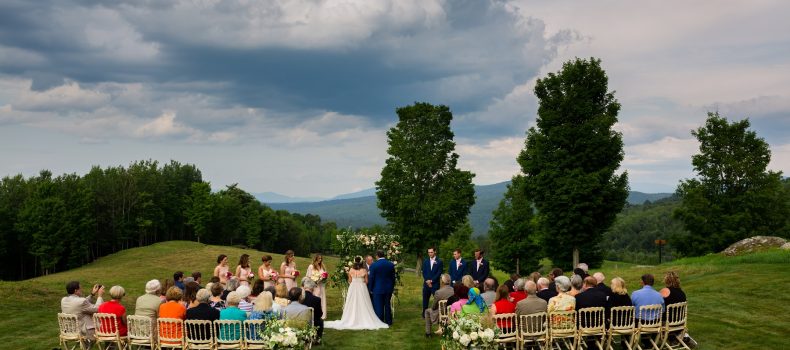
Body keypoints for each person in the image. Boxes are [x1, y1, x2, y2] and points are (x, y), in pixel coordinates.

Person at [325, 256, 389, 330]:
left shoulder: (351, 270)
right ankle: (364, 317)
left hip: (353, 287)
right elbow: (367, 281)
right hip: (362, 287)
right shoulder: (364, 270)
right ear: (362, 262)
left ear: (354, 262)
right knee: (364, 302)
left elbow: (349, 281)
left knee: (352, 302)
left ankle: (350, 318)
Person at [61, 281, 104, 345]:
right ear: (76, 290)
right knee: (108, 327)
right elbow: (97, 308)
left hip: (70, 330)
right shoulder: (81, 302)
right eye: (80, 288)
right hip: (84, 331)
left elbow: (80, 303)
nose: (82, 290)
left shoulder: (64, 300)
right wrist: (100, 296)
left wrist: (92, 294)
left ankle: (86, 346)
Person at [368, 249, 396, 325]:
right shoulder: (390, 264)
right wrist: (392, 287)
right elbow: (393, 278)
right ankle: (389, 321)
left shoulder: (373, 265)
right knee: (387, 305)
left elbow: (371, 278)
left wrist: (370, 289)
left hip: (377, 288)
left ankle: (379, 321)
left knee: (378, 306)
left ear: (377, 256)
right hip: (388, 288)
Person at [306, 253, 328, 319]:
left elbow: (325, 274)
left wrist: (324, 278)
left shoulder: (322, 266)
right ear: (315, 259)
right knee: (316, 298)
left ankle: (322, 314)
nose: (320, 260)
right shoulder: (311, 266)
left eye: (321, 258)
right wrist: (315, 281)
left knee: (322, 298)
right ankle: (314, 314)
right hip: (314, 286)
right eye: (319, 258)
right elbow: (308, 276)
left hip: (321, 285)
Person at [422, 247, 442, 314]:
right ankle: (424, 314)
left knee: (437, 300)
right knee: (425, 300)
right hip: (426, 284)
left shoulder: (439, 261)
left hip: (435, 284)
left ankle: (437, 314)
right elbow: (424, 272)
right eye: (429, 252)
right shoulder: (425, 261)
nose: (430, 254)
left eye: (431, 252)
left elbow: (439, 273)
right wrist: (427, 281)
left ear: (435, 252)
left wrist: (431, 281)